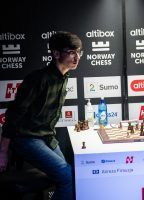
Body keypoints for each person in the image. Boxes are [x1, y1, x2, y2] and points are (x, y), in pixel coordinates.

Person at [0, 31, 83, 200]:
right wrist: (3, 152)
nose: (77, 57)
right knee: (66, 176)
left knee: (70, 175)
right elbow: (14, 115)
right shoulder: (38, 79)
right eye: (72, 52)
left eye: (79, 52)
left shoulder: (63, 77)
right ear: (56, 53)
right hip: (26, 138)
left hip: (46, 137)